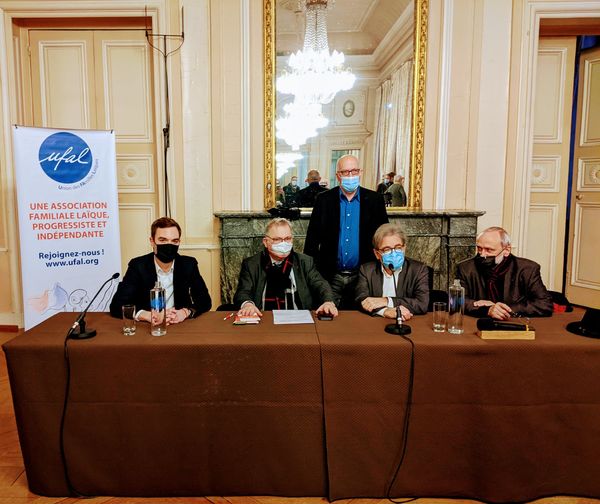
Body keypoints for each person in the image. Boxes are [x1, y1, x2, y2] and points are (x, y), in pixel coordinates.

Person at [304, 154, 389, 308]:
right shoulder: (324, 200)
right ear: (338, 175)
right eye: (345, 172)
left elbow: (384, 238)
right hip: (330, 276)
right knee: (327, 315)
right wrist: (312, 273)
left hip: (364, 276)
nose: (350, 175)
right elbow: (312, 240)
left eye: (354, 171)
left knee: (362, 319)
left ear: (360, 172)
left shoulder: (375, 200)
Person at [110, 217, 211, 323]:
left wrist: (185, 312)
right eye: (163, 240)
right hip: (149, 326)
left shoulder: (188, 265)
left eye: (174, 241)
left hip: (180, 324)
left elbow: (205, 301)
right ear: (152, 241)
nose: (169, 245)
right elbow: (116, 306)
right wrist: (146, 315)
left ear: (179, 242)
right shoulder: (138, 266)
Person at [234, 218, 338, 318]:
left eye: (287, 239)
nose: (283, 243)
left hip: (298, 319)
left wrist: (328, 302)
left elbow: (321, 285)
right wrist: (247, 305)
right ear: (265, 242)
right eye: (277, 239)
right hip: (264, 319)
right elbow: (243, 292)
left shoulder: (305, 262)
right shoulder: (251, 264)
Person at [456, 226, 553, 320]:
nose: (482, 255)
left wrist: (500, 309)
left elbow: (544, 305)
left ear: (506, 250)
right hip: (479, 323)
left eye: (489, 250)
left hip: (514, 323)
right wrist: (486, 310)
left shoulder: (527, 269)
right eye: (479, 249)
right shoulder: (466, 268)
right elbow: (457, 300)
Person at [356, 223, 429, 320]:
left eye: (398, 248)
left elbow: (422, 304)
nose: (393, 253)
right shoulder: (366, 270)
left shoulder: (418, 269)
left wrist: (387, 301)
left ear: (404, 248)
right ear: (377, 254)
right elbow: (361, 300)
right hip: (376, 323)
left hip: (407, 322)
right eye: (387, 249)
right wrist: (385, 311)